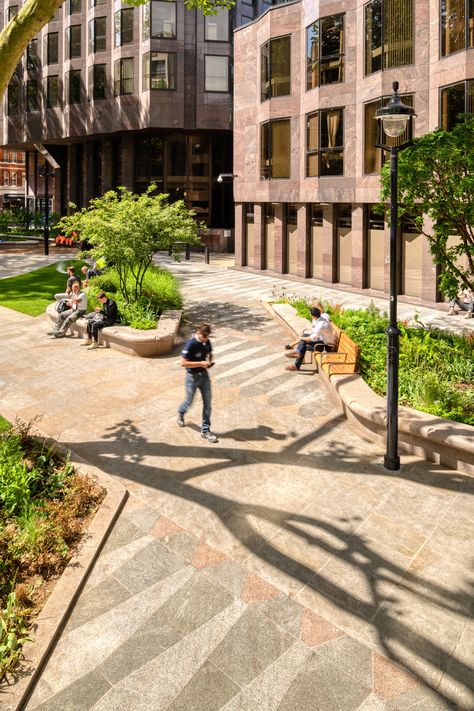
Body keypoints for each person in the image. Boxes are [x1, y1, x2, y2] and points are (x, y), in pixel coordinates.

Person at [177, 323, 218, 443]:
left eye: (207, 337)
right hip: (192, 377)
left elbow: (209, 352)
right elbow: (183, 363)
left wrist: (209, 360)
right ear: (199, 333)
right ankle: (181, 412)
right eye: (204, 336)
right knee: (189, 401)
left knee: (208, 403)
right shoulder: (191, 344)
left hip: (204, 376)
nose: (206, 339)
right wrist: (201, 363)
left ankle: (205, 430)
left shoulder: (206, 341)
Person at [285, 306, 335, 371]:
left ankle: (297, 364)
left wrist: (301, 339)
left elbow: (313, 338)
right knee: (304, 336)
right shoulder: (321, 319)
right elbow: (314, 332)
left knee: (304, 344)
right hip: (322, 340)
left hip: (325, 346)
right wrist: (303, 336)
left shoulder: (321, 324)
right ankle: (298, 355)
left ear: (312, 316)